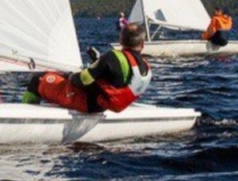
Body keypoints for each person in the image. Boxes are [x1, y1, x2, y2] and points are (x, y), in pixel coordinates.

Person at [22, 23, 153, 114]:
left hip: (85, 102)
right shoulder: (145, 68)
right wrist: (97, 62)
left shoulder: (112, 57)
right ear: (142, 44)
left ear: (120, 40)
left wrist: (70, 76)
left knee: (37, 80)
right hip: (104, 106)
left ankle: (25, 117)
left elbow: (82, 80)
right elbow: (116, 78)